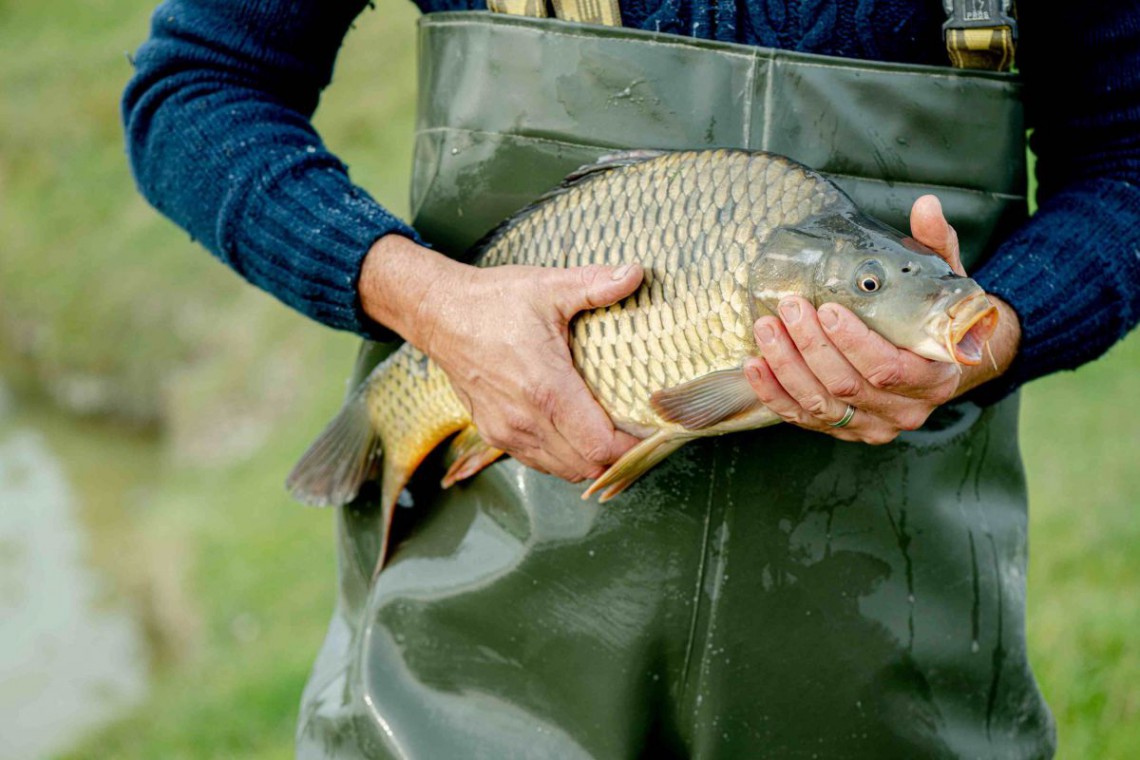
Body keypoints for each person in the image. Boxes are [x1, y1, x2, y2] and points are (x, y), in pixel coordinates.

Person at [123, 1, 1140, 757]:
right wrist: (425, 300)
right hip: (470, 674)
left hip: (898, 666)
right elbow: (194, 86)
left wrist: (1003, 327)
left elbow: (1127, 160)